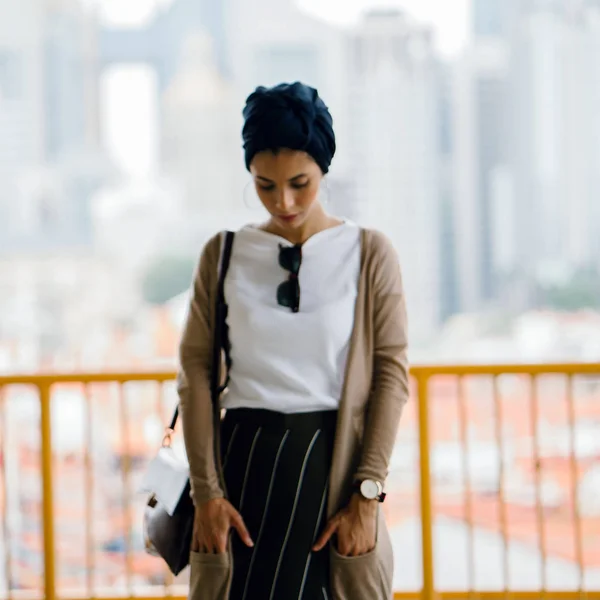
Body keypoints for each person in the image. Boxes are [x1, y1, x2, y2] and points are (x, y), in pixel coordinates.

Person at [177, 81, 409, 600]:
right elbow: (193, 376)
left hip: (331, 477)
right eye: (265, 185)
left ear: (324, 169)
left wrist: (367, 496)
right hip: (240, 475)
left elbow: (392, 376)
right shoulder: (223, 255)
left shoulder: (369, 253)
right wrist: (207, 496)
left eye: (299, 183)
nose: (283, 201)